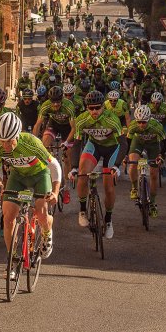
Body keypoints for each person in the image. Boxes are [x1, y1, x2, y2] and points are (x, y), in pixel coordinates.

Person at [0, 113, 61, 278]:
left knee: (42, 212)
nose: (5, 145)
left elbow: (54, 165)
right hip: (18, 177)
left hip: (40, 175)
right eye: (2, 140)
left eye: (9, 140)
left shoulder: (31, 142)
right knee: (8, 217)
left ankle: (46, 232)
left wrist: (56, 192)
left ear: (16, 135)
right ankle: (12, 260)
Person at [66, 90, 126, 239]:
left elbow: (124, 144)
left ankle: (108, 220)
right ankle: (82, 211)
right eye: (91, 108)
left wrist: (117, 166)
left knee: (108, 187)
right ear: (87, 108)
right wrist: (73, 167)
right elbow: (77, 143)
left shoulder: (112, 120)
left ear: (103, 107)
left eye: (97, 108)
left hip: (112, 149)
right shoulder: (81, 120)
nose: (94, 111)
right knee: (82, 175)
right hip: (94, 146)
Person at [126, 106, 166, 217]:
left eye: (144, 122)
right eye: (139, 122)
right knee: (133, 163)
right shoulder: (133, 126)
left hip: (153, 145)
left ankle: (152, 203)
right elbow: (127, 142)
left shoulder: (156, 126)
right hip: (137, 142)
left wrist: (160, 155)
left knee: (153, 175)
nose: (141, 125)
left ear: (148, 119)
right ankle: (134, 188)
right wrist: (125, 156)